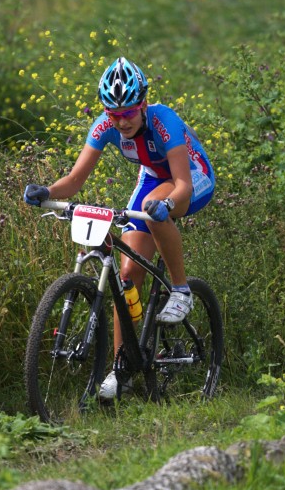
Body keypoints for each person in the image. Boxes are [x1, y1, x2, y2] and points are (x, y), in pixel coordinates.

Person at [23, 57, 215, 399]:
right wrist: (47, 192)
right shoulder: (105, 125)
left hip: (192, 178)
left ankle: (181, 290)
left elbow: (182, 184)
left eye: (128, 112)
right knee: (127, 277)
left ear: (142, 104)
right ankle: (121, 368)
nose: (121, 120)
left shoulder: (163, 120)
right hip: (154, 179)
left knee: (151, 209)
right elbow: (74, 180)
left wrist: (167, 206)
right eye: (114, 114)